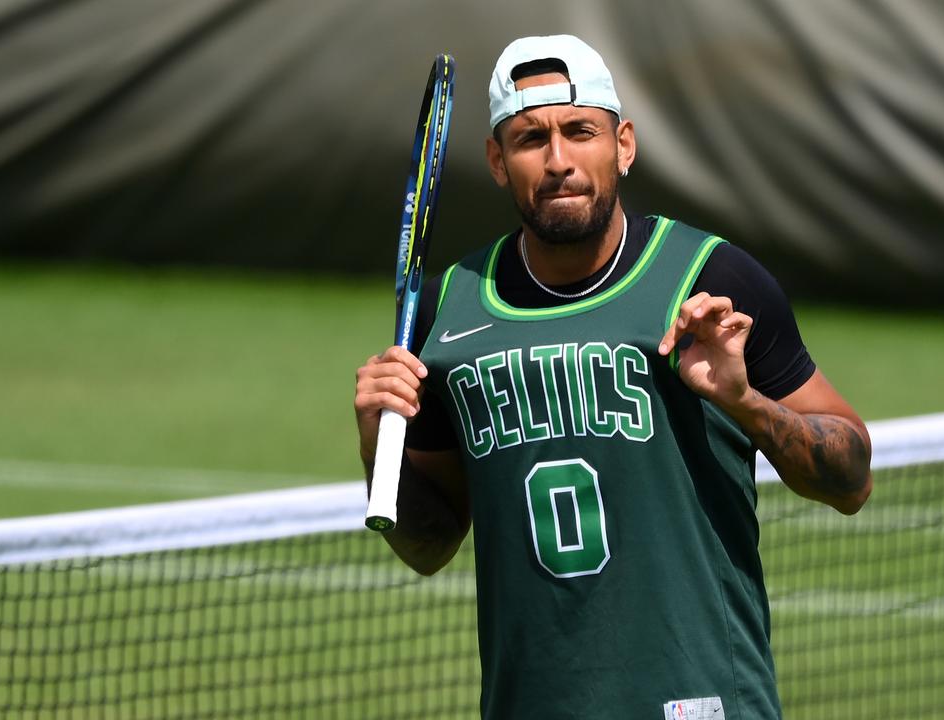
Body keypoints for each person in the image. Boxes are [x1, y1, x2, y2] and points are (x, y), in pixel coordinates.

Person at [353, 34, 872, 720]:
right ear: (498, 162)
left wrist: (744, 403)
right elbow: (428, 545)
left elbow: (852, 480)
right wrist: (374, 446)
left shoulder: (711, 281)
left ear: (623, 144)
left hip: (702, 703)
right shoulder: (450, 310)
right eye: (530, 138)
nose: (559, 160)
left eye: (581, 131)